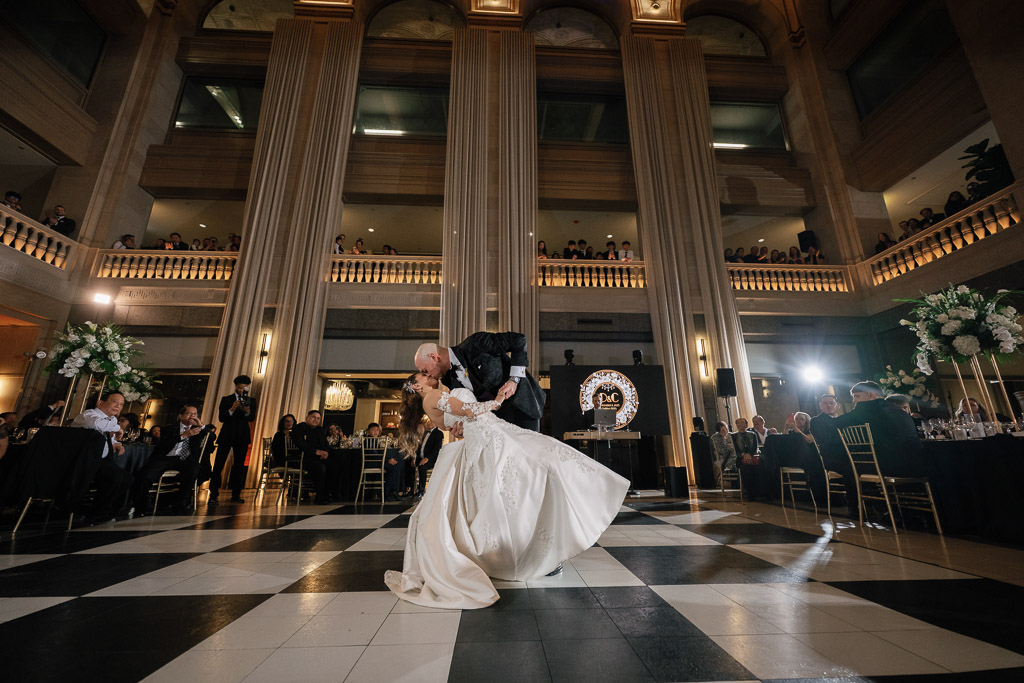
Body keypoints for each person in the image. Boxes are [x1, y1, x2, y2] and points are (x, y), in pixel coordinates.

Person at [385, 372, 629, 609]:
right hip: (490, 437)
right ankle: (536, 550)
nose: (428, 376)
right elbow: (468, 410)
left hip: (492, 434)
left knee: (532, 476)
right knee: (533, 475)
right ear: (416, 387)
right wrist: (497, 402)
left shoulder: (435, 399)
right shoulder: (431, 397)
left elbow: (453, 426)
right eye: (422, 376)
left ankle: (539, 546)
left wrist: (462, 421)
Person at [414, 331, 546, 433]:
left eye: (425, 370)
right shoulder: (448, 380)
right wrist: (461, 427)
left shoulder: (475, 343)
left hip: (522, 406)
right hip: (496, 422)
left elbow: (518, 340)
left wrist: (514, 380)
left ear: (434, 357)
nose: (427, 375)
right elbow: (470, 406)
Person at [131, 404, 211, 515]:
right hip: (166, 458)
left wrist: (201, 426)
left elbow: (211, 437)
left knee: (194, 468)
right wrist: (183, 436)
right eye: (189, 414)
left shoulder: (198, 430)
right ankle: (140, 506)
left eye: (195, 414)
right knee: (146, 474)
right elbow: (163, 445)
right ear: (180, 416)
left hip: (185, 460)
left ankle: (181, 503)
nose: (193, 416)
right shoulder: (168, 428)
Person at [834, 381, 923, 477]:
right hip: (916, 463)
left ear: (870, 395)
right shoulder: (898, 410)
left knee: (849, 467)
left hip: (890, 465)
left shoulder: (865, 408)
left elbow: (835, 423)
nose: (854, 400)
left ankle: (864, 492)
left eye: (857, 396)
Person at [71, 392, 133, 524]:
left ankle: (99, 509)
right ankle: (96, 512)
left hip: (101, 459)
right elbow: (98, 424)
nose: (118, 406)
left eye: (121, 404)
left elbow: (108, 438)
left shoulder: (113, 420)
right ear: (100, 403)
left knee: (127, 478)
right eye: (115, 402)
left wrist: (116, 443)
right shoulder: (88, 415)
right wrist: (118, 428)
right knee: (115, 477)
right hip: (83, 461)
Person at [208, 375, 257, 505]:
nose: (242, 390)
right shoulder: (226, 399)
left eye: (244, 388)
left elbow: (251, 418)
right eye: (240, 387)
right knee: (219, 464)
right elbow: (221, 418)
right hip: (227, 434)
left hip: (242, 435)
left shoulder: (251, 401)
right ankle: (213, 494)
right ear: (235, 386)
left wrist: (247, 412)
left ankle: (236, 494)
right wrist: (232, 409)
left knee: (239, 466)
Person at [809, 393, 857, 516]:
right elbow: (825, 440)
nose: (829, 405)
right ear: (820, 406)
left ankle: (872, 505)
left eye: (832, 403)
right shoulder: (816, 421)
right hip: (833, 458)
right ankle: (855, 506)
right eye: (825, 403)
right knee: (851, 468)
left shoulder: (843, 419)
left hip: (850, 455)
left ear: (838, 405)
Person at [290, 410, 341, 504]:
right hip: (303, 458)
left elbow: (325, 444)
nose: (316, 420)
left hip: (318, 458)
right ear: (307, 418)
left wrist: (326, 453)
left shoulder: (320, 429)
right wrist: (316, 452)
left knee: (334, 466)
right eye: (313, 417)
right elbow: (300, 443)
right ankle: (319, 496)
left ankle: (329, 494)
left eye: (318, 418)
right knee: (320, 468)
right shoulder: (299, 428)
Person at [732, 417, 764, 500]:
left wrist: (749, 454)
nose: (741, 424)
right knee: (746, 469)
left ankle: (760, 492)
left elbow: (754, 446)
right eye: (739, 423)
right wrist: (744, 455)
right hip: (740, 458)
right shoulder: (733, 436)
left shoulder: (752, 434)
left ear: (746, 424)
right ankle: (750, 493)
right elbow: (735, 449)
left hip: (752, 456)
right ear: (736, 425)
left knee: (759, 468)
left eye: (743, 422)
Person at [710, 421, 737, 488]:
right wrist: (731, 447)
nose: (725, 432)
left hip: (733, 455)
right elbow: (723, 451)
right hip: (724, 458)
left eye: (726, 429)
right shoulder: (716, 438)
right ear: (719, 431)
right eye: (723, 430)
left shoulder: (731, 435)